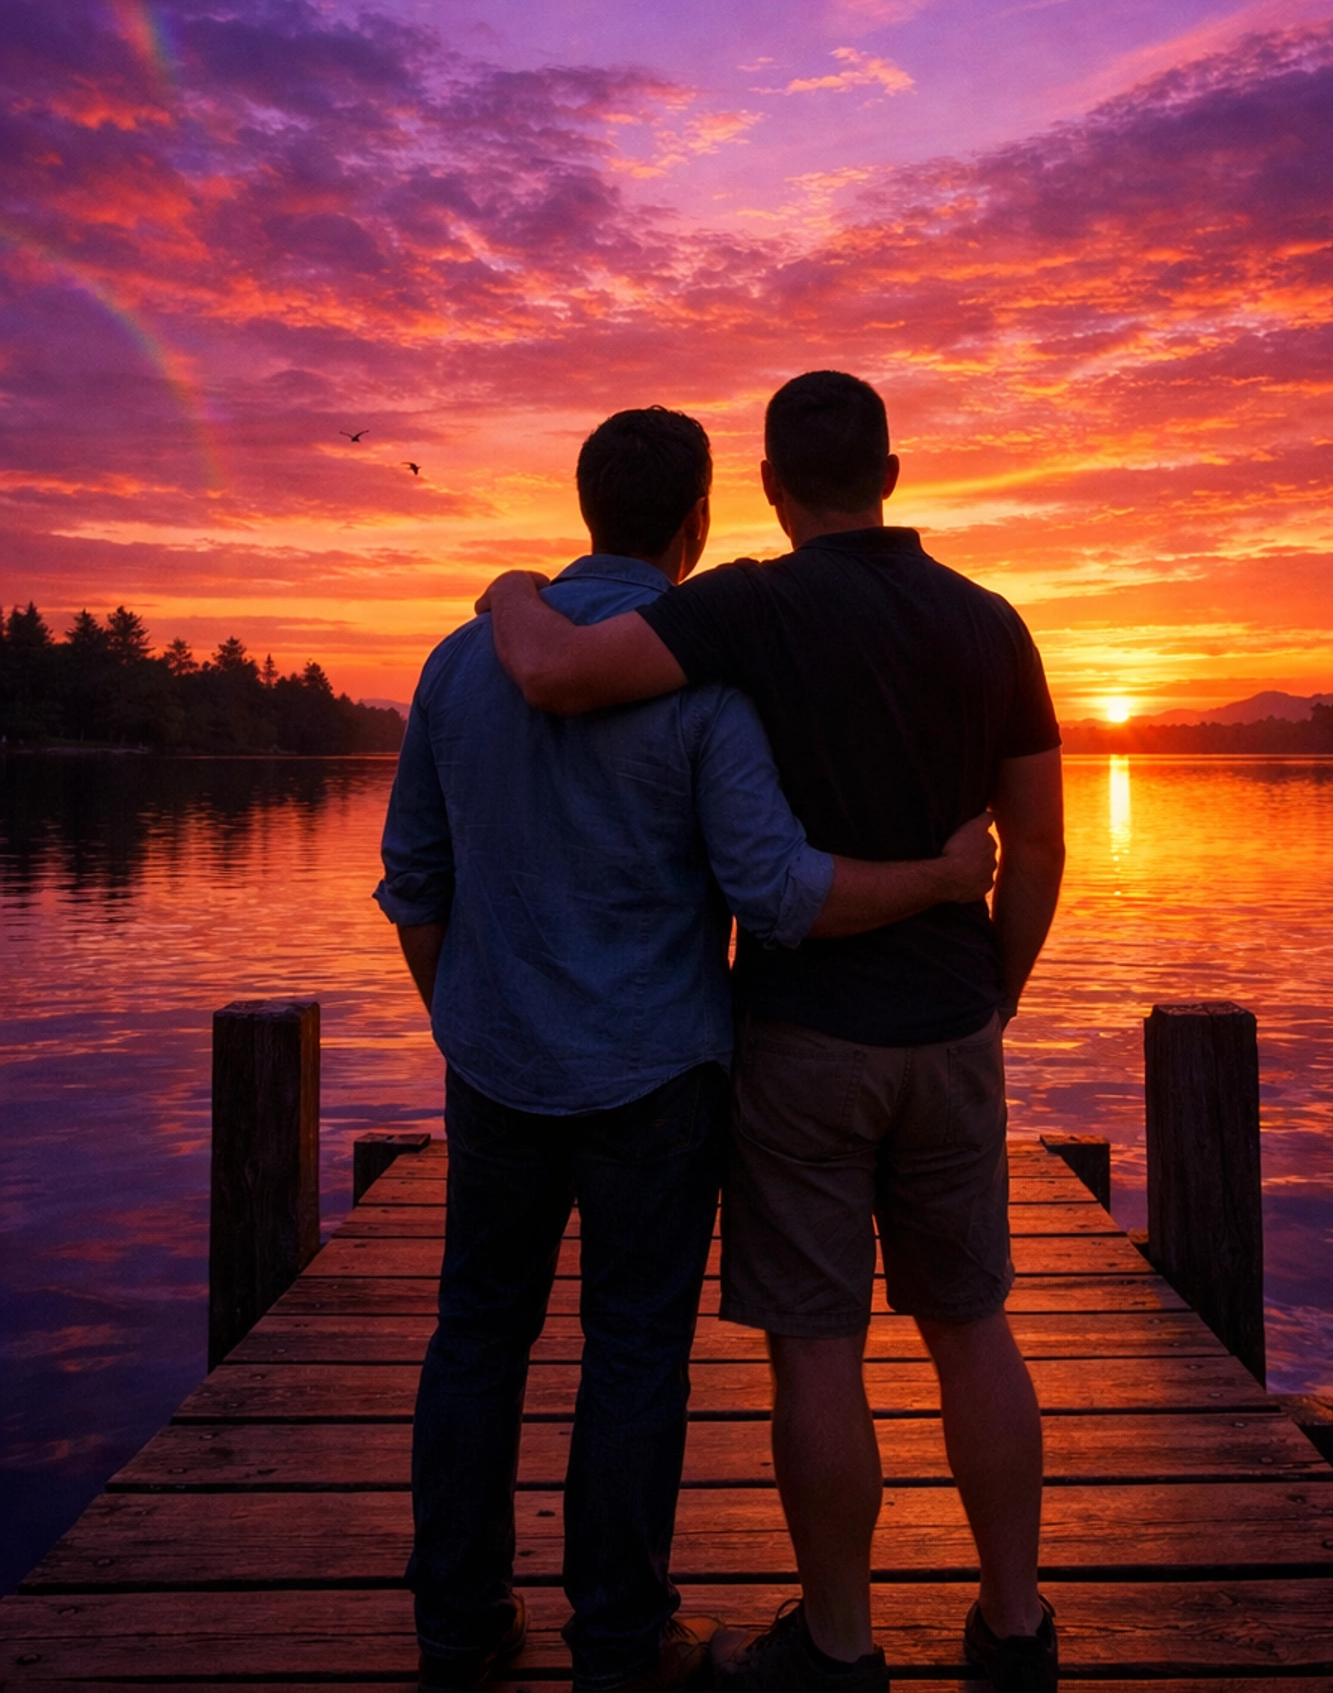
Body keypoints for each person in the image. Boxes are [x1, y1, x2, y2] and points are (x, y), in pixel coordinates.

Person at [376, 405, 999, 1693]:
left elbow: (415, 881)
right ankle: (616, 1635)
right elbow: (775, 894)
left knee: (476, 1336)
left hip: (495, 1067)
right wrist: (943, 882)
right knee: (635, 1348)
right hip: (658, 1078)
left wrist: (467, 1017)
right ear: (698, 519)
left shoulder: (456, 663)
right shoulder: (706, 690)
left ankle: (458, 1622)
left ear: (588, 504)